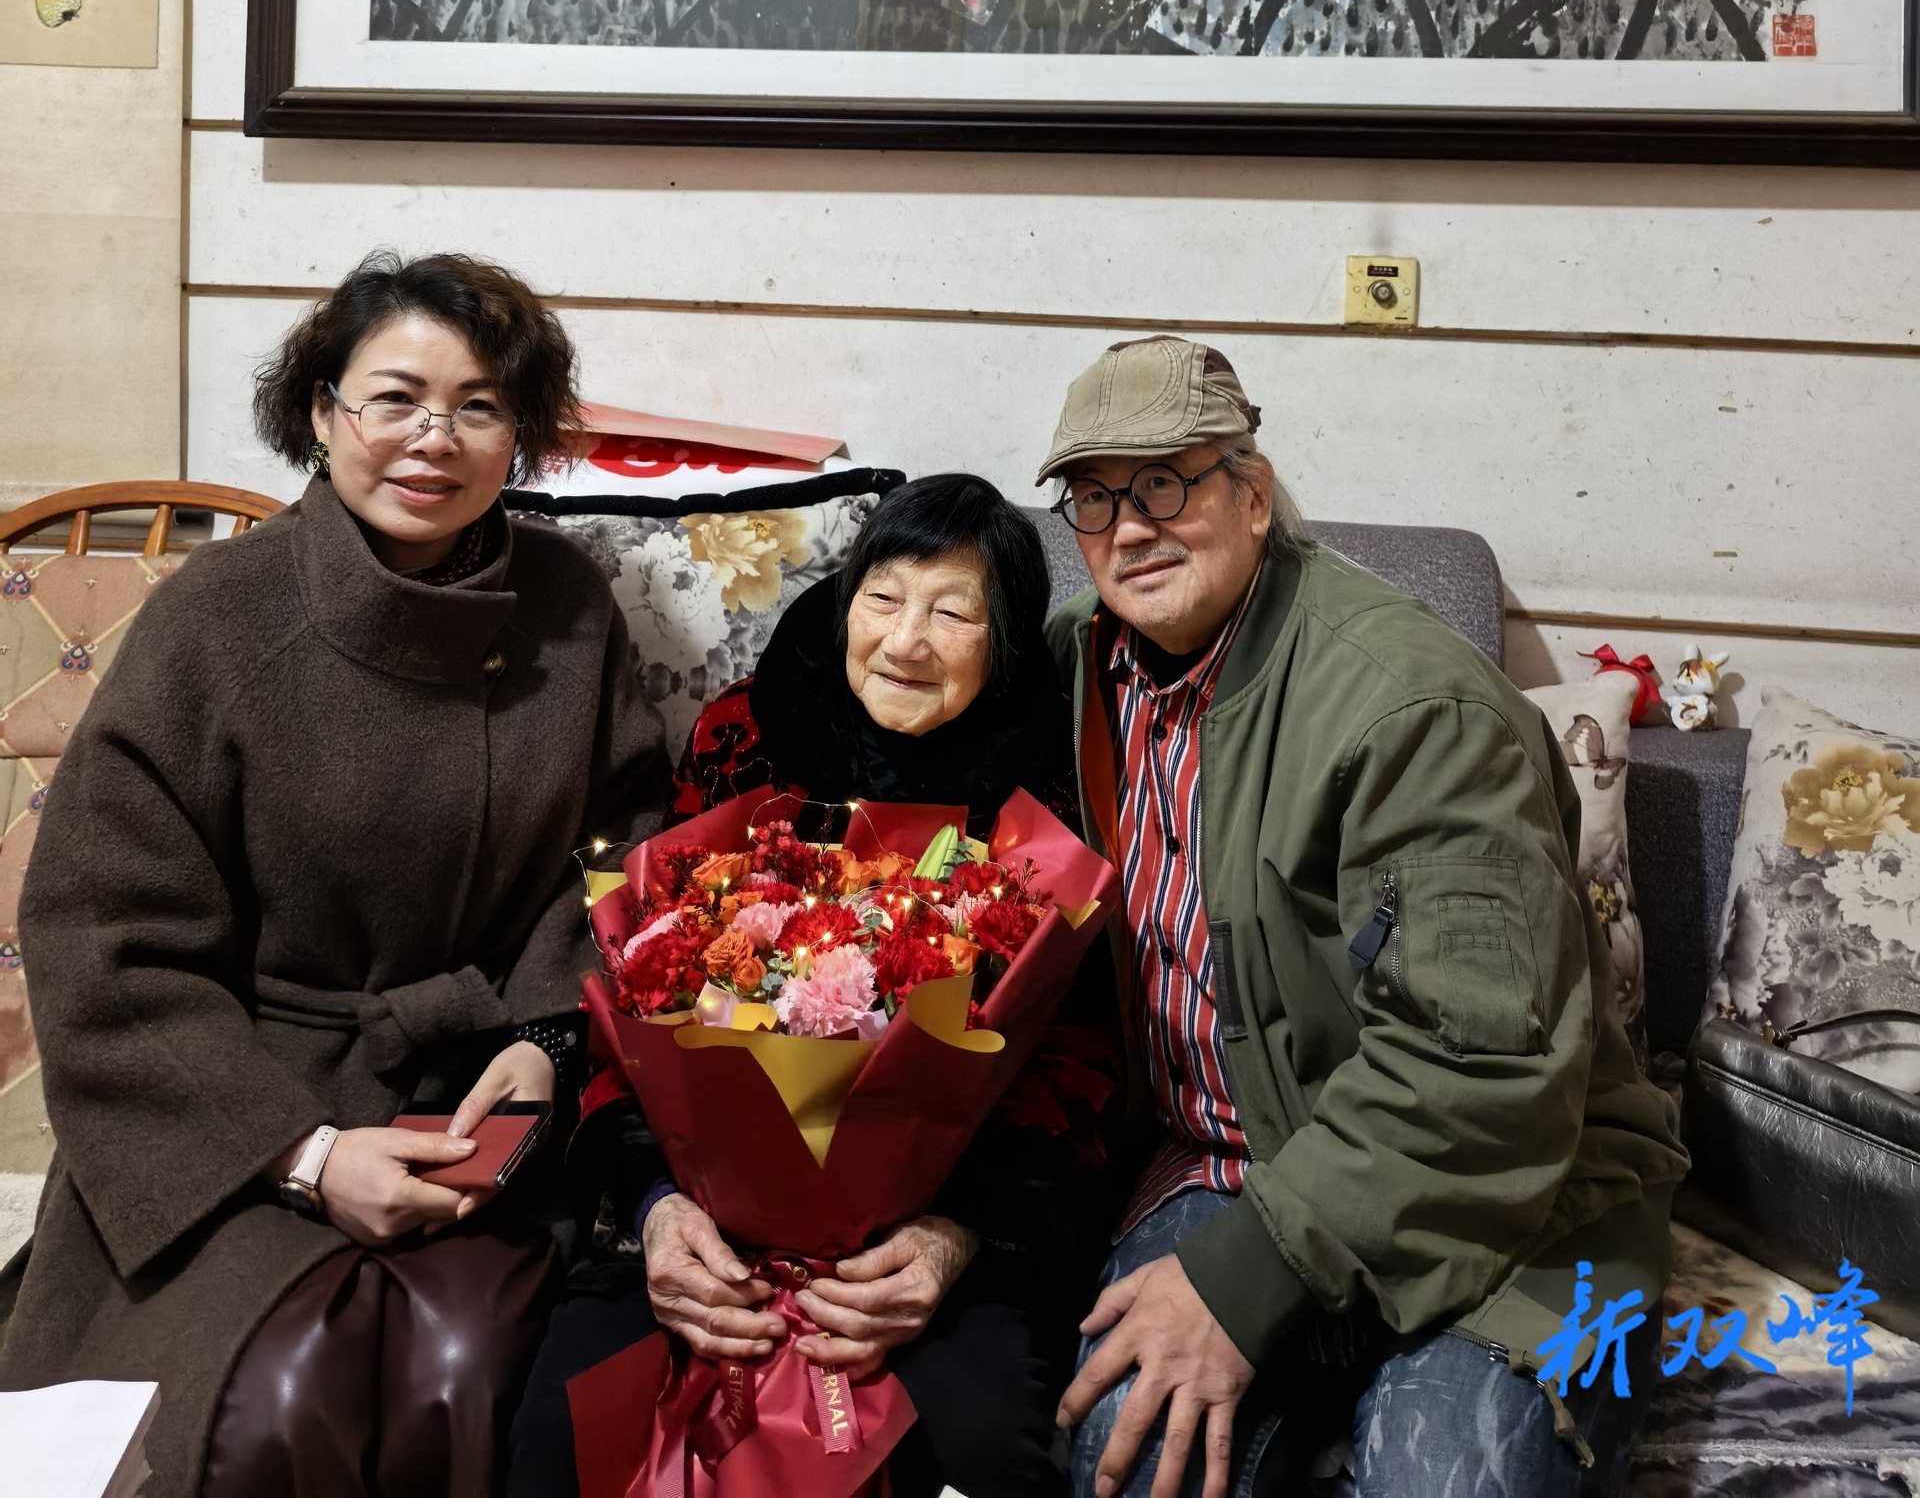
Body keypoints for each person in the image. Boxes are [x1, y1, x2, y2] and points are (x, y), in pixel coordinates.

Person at [0, 252, 671, 1498]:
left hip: (475, 1098)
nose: (434, 438)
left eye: (478, 406)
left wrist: (549, 1039)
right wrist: (303, 1155)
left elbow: (622, 850)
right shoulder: (217, 617)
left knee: (466, 1373)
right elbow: (102, 934)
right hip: (236, 1103)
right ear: (322, 411)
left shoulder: (568, 606)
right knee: (267, 1405)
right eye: (395, 398)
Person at [1038, 337, 1689, 1498]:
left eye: (1168, 482)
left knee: (1450, 1482)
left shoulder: (1416, 710)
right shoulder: (1079, 664)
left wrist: (1249, 1276)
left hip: (1513, 1195)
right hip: (1224, 1159)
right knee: (1126, 1461)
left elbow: (1484, 1070)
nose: (1130, 527)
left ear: (1254, 493)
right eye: (1095, 496)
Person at [509, 473, 1115, 1498]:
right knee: (566, 1433)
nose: (906, 640)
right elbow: (636, 984)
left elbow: (1077, 1052)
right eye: (884, 597)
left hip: (939, 1220)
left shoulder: (1051, 781)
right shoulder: (742, 733)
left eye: (954, 613)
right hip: (704, 1202)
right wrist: (658, 1207)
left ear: (1007, 640)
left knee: (980, 1447)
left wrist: (951, 1237)